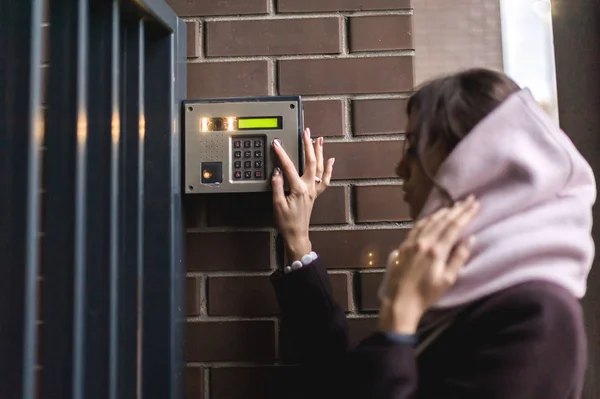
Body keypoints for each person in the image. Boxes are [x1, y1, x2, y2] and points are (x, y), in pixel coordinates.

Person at [268, 68, 596, 399]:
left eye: (413, 147)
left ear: (475, 162)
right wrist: (299, 243)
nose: (400, 168)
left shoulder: (541, 316)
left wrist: (400, 319)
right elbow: (343, 381)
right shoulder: (459, 281)